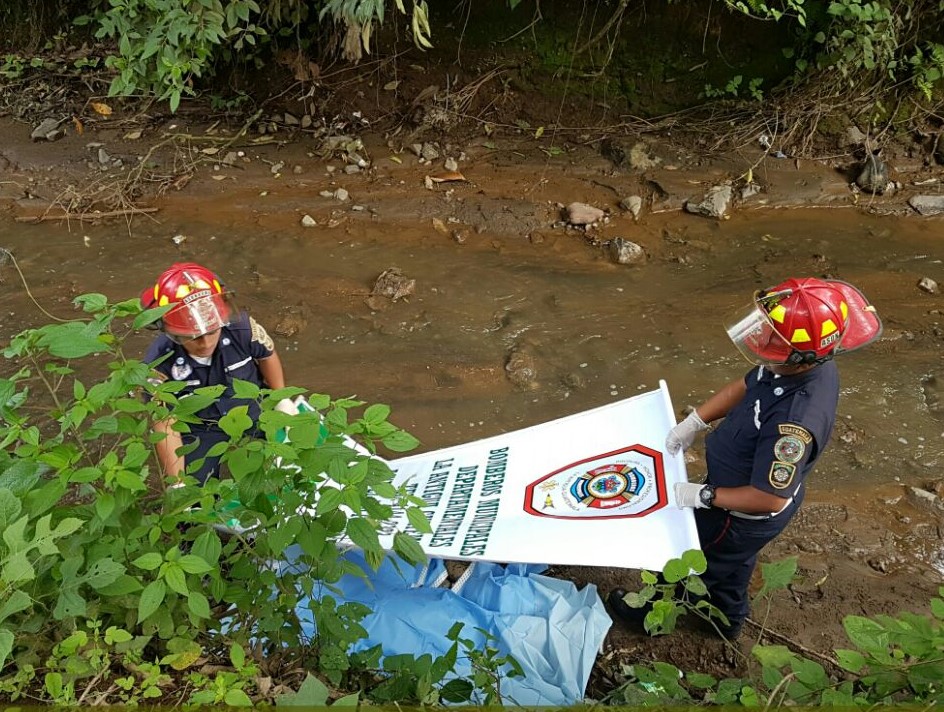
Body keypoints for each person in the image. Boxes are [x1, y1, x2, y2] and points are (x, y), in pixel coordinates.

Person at [608, 277, 883, 639]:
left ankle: (651, 614)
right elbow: (747, 384)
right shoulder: (796, 363)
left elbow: (770, 495)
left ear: (800, 356)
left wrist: (702, 496)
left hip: (739, 512)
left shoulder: (795, 422)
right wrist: (695, 420)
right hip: (737, 492)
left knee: (690, 560)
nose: (761, 342)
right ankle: (727, 620)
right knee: (732, 563)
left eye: (773, 339)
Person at [141, 262, 285, 485]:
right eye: (194, 336)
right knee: (193, 502)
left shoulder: (243, 330)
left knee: (285, 473)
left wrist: (280, 399)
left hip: (252, 413)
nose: (206, 342)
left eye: (212, 331)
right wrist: (177, 482)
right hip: (201, 428)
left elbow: (267, 355)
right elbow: (165, 424)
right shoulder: (159, 364)